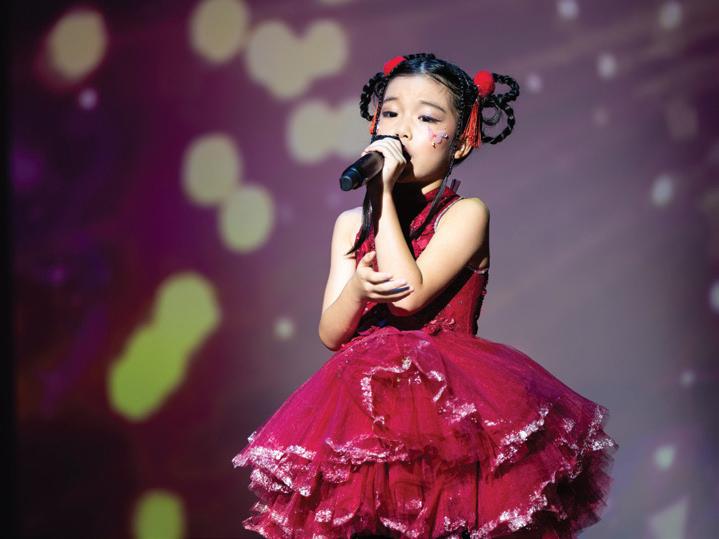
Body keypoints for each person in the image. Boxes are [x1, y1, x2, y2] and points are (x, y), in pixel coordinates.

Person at [232, 53, 618, 538]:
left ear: (462, 141)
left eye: (427, 118)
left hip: (447, 420)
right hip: (365, 421)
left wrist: (382, 196)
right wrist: (356, 289)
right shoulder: (351, 225)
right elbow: (331, 333)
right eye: (391, 113)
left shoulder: (466, 215)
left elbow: (407, 296)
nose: (402, 128)